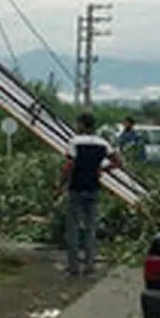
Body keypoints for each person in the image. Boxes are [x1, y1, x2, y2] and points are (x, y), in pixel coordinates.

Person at [60, 113, 123, 276]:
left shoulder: (74, 142)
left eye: (78, 123)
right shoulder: (103, 143)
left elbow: (68, 165)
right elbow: (118, 161)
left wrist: (60, 184)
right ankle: (90, 265)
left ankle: (73, 266)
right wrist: (101, 169)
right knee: (90, 228)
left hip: (76, 188)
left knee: (73, 228)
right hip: (93, 189)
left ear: (82, 125)